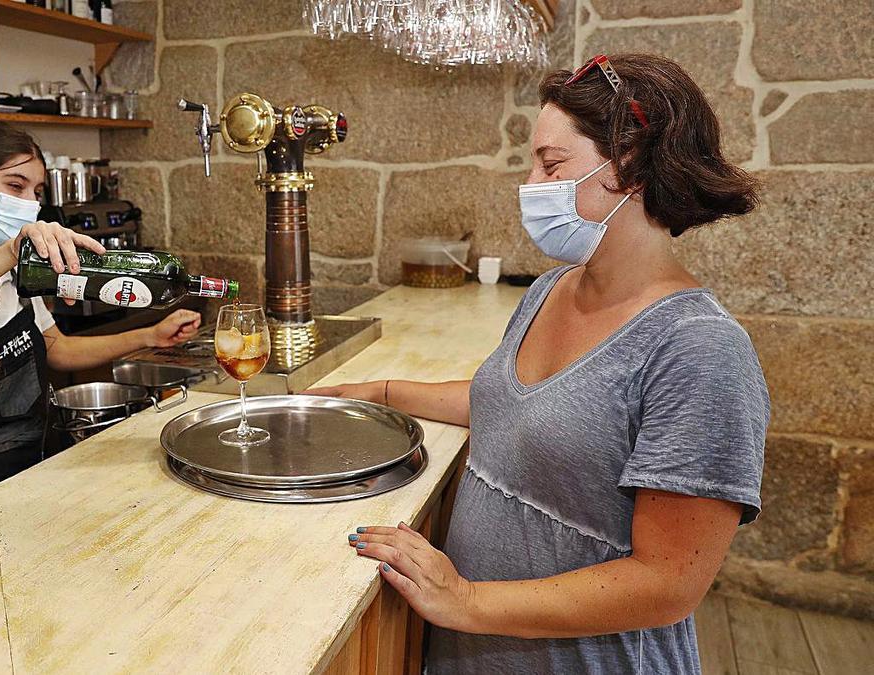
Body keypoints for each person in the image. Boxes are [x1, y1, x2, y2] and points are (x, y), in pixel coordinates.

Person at [309, 54, 770, 673]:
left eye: (551, 164)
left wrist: (466, 600)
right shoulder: (549, 291)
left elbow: (668, 583)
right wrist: (382, 392)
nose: (531, 184)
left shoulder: (698, 350)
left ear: (631, 166)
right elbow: (520, 408)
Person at [0, 122, 200, 485]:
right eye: (15, 186)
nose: (30, 203)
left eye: (36, 192)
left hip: (33, 452)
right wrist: (10, 251)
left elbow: (58, 349)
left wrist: (151, 337)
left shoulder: (17, 268)